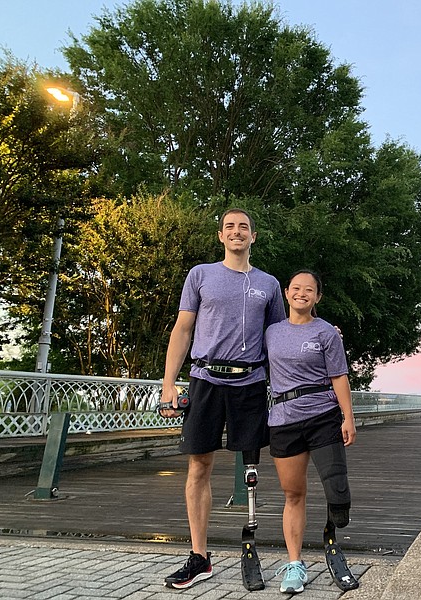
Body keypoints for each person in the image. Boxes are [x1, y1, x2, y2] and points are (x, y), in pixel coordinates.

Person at [160, 208, 286, 590]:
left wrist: (324, 333)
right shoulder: (201, 275)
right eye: (230, 227)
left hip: (250, 382)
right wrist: (168, 383)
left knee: (251, 468)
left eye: (243, 227)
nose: (237, 232)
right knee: (199, 465)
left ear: (254, 236)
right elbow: (183, 329)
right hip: (205, 379)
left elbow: (280, 337)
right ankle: (200, 557)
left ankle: (251, 546)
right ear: (221, 236)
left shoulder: (268, 284)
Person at [266, 270, 358, 594]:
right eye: (296, 288)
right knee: (293, 495)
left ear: (317, 297)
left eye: (309, 290)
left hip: (323, 416)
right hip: (283, 420)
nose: (301, 293)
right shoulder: (271, 331)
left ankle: (332, 536)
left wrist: (348, 417)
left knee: (337, 491)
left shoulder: (327, 333)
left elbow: (339, 377)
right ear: (287, 293)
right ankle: (295, 564)